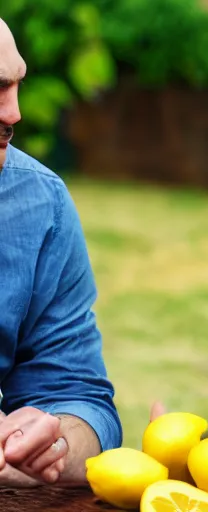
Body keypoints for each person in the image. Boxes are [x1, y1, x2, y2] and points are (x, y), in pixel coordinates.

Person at [0, 18, 122, 486]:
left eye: (16, 85)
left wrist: (54, 445)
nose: (14, 113)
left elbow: (78, 394)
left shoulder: (39, 205)